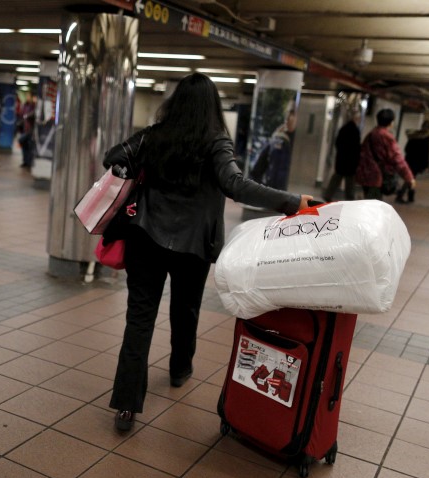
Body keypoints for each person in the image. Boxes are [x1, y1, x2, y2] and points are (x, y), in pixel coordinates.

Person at [102, 73, 312, 432]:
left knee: (139, 320)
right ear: (211, 106)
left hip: (146, 239)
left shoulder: (155, 135)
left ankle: (126, 405)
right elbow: (234, 184)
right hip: (193, 247)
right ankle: (180, 368)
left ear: (176, 103)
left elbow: (114, 157)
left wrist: (138, 170)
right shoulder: (216, 142)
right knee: (186, 310)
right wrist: (291, 202)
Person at [355, 109, 415, 201]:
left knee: (368, 204)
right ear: (391, 122)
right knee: (374, 208)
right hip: (376, 177)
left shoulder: (371, 134)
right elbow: (397, 158)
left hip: (365, 176)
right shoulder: (387, 136)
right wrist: (409, 177)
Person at [250, 103, 297, 191]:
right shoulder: (278, 138)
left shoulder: (292, 140)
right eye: (287, 113)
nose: (288, 117)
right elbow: (258, 168)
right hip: (275, 191)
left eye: (292, 113)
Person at [323, 110, 361, 202]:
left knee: (336, 178)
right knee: (350, 183)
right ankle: (350, 199)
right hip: (350, 162)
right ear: (356, 118)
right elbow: (356, 148)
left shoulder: (343, 129)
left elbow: (337, 143)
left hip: (341, 159)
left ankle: (328, 194)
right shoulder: (355, 130)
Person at [398, 120, 429, 204]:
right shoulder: (427, 138)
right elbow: (426, 153)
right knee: (410, 178)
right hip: (417, 162)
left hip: (409, 159)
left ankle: (410, 196)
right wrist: (426, 165)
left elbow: (406, 149)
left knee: (410, 177)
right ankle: (403, 195)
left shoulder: (413, 135)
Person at [18, 92, 37, 169]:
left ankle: (29, 162)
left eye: (29, 96)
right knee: (24, 145)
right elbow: (21, 115)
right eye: (27, 96)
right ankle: (25, 161)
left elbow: (33, 115)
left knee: (29, 145)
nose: (27, 97)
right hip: (24, 128)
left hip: (30, 129)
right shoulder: (25, 105)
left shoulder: (34, 106)